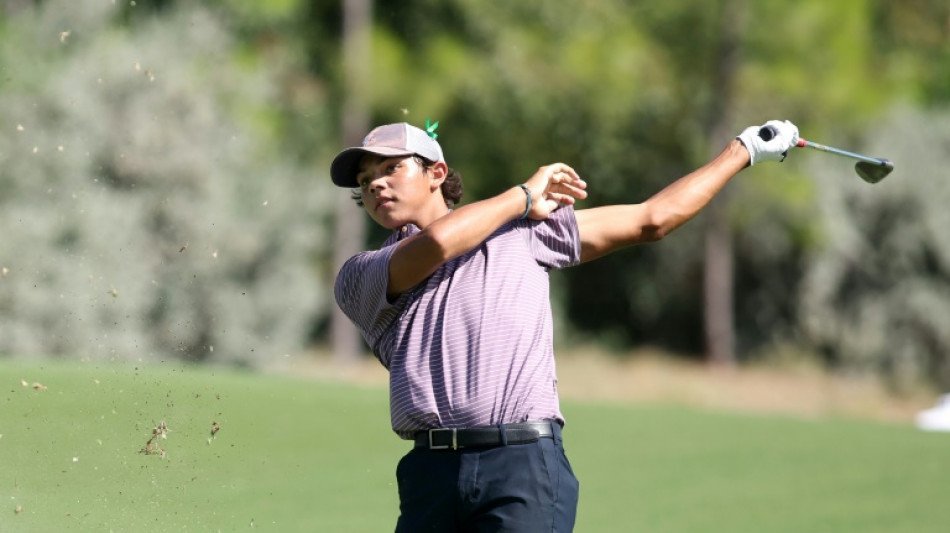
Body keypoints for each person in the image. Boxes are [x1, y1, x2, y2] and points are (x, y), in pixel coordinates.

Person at [330, 119, 799, 532]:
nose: (375, 185)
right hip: (430, 475)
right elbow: (436, 245)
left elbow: (651, 219)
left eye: (391, 168)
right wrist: (523, 196)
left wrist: (743, 150)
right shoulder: (360, 276)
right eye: (365, 181)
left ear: (436, 173)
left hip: (520, 466)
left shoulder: (524, 233)